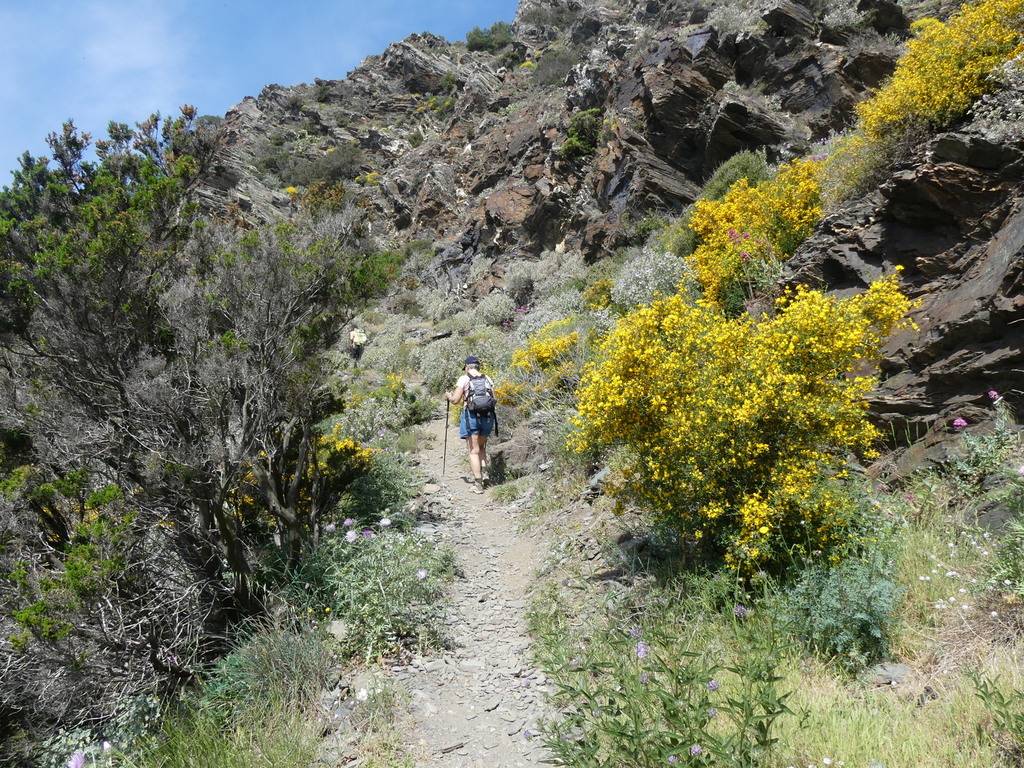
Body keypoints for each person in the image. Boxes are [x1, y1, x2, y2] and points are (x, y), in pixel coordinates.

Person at [446, 355, 496, 494]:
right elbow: (494, 398)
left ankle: (478, 484)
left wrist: (448, 396)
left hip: (472, 417)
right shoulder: (488, 378)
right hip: (488, 417)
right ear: (478, 367)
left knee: (473, 451)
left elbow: (455, 400)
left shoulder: (464, 378)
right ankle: (485, 476)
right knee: (481, 447)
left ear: (467, 367)